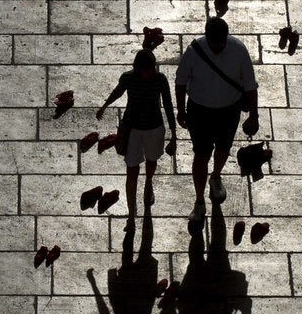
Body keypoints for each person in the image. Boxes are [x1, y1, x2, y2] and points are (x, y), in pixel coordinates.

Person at [174, 16, 258, 223]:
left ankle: (216, 175)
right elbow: (180, 81)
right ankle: (199, 200)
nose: (218, 46)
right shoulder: (194, 51)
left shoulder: (239, 50)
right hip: (199, 111)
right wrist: (181, 110)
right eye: (214, 42)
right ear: (208, 37)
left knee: (223, 148)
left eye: (221, 42)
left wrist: (254, 116)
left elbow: (250, 85)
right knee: (201, 154)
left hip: (229, 111)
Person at [95, 49, 177, 216]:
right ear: (139, 69)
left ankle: (148, 184)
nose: (153, 72)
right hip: (133, 130)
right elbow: (117, 92)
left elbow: (168, 105)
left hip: (154, 128)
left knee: (151, 160)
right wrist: (104, 106)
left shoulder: (160, 79)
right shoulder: (128, 78)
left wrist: (174, 134)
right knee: (131, 170)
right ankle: (132, 214)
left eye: (154, 67)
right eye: (149, 69)